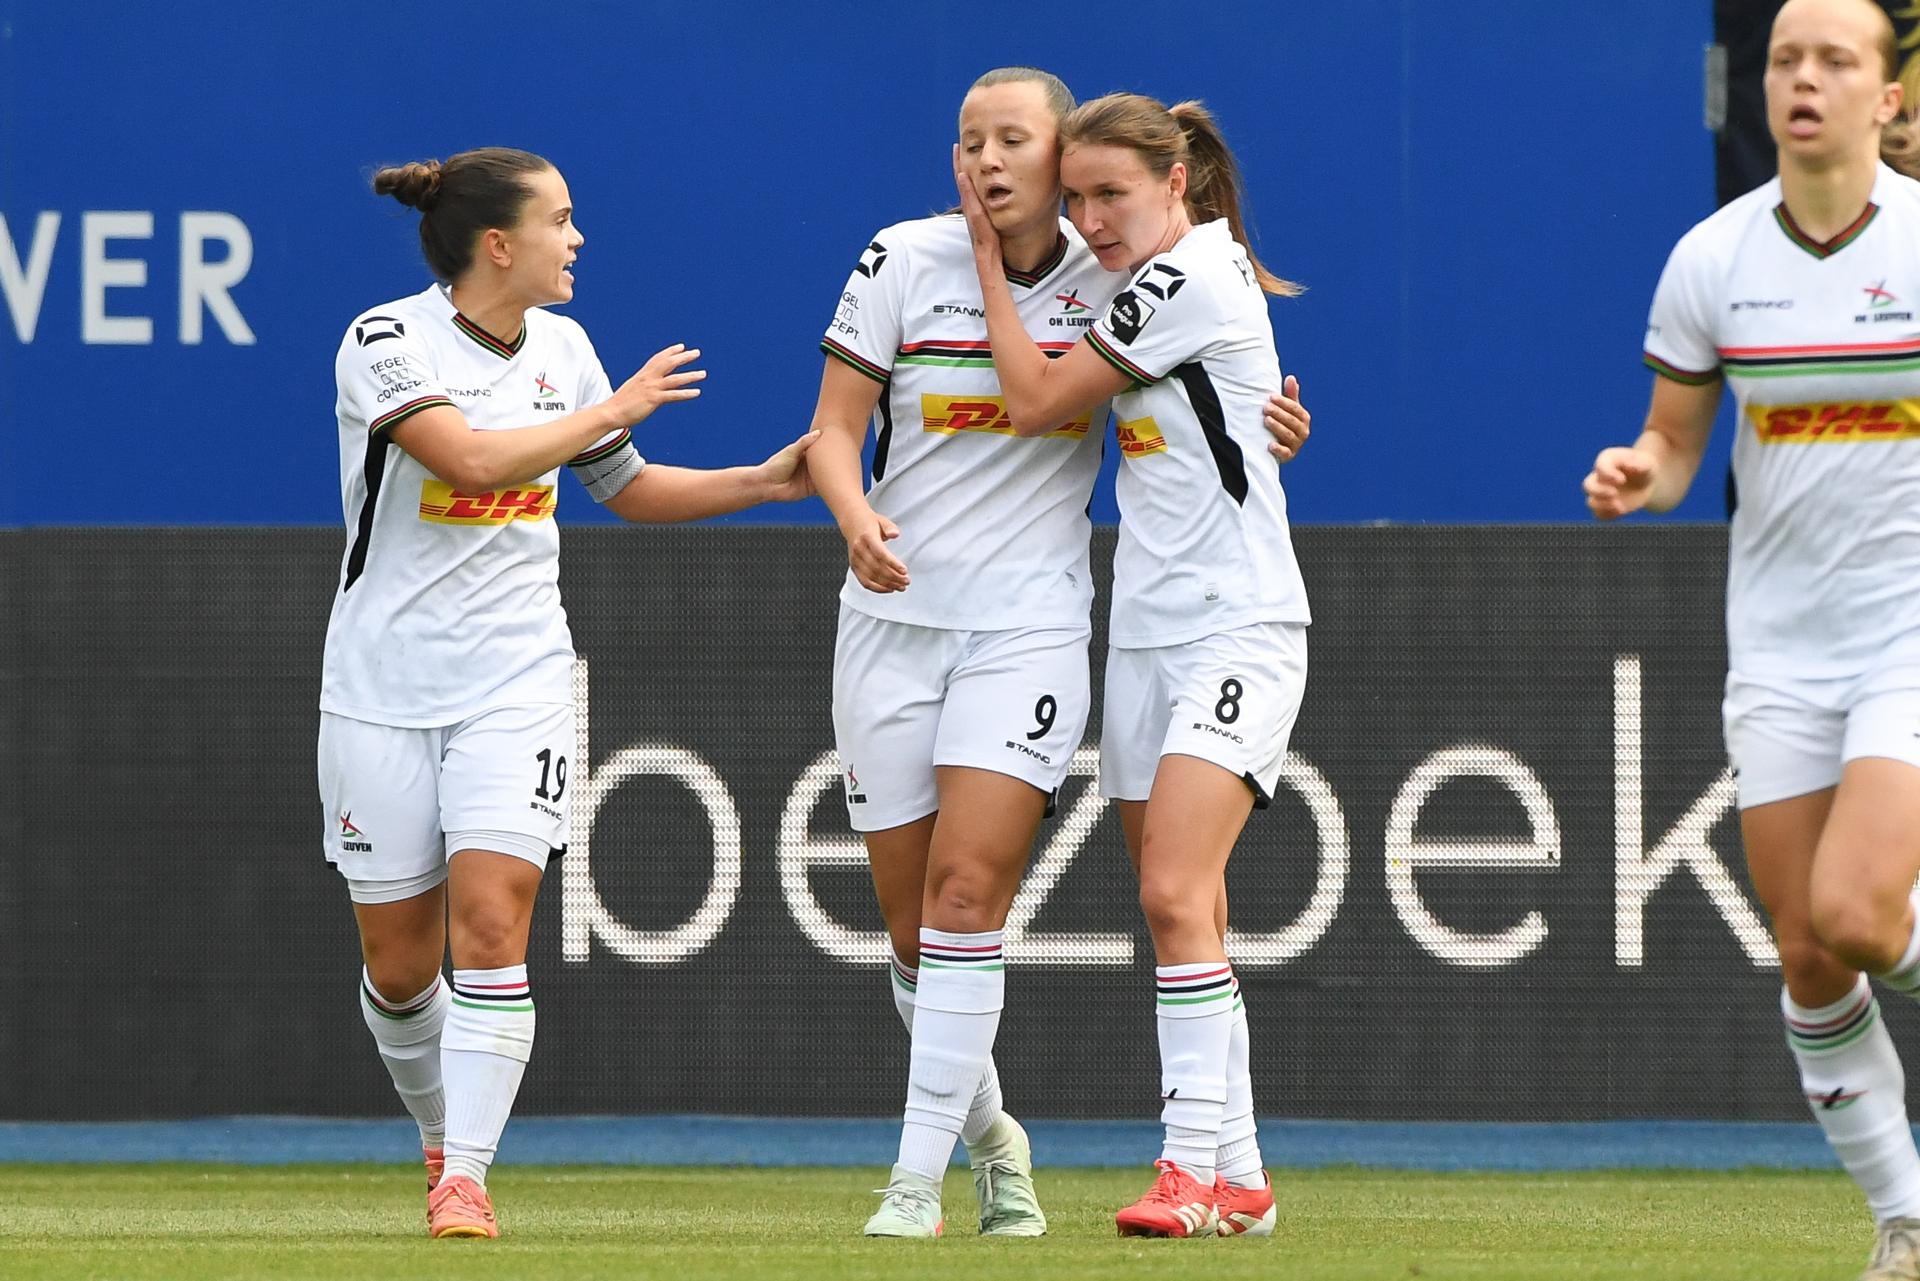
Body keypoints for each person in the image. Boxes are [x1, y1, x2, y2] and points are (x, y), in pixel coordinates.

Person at [810, 69, 1310, 1238]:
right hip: (1137, 625)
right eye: (1078, 196)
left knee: (1166, 893)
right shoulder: (1109, 270)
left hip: (1222, 618)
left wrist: (989, 260)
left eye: (1104, 192)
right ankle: (1238, 1173)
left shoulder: (1168, 275)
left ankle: (1183, 1172)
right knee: (1165, 904)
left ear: (1174, 184)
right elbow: (1211, 412)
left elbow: (1038, 399)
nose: (1090, 219)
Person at [321, 146, 816, 1240]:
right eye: (562, 219)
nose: (578, 238)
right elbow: (472, 463)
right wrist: (613, 408)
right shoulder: (384, 341)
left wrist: (763, 481)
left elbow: (626, 488)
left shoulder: (568, 347)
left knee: (493, 922)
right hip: (381, 690)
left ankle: (468, 1181)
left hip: (519, 679)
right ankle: (441, 1132)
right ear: (500, 243)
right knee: (400, 969)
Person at [1584, 2, 1920, 1275]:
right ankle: (1905, 1222)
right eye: (1787, 59)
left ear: (1887, 98)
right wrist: (1642, 470)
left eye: (1839, 61)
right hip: (1778, 645)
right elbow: (1677, 442)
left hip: (1908, 634)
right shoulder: (1714, 258)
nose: (1806, 80)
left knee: (1859, 906)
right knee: (1809, 950)